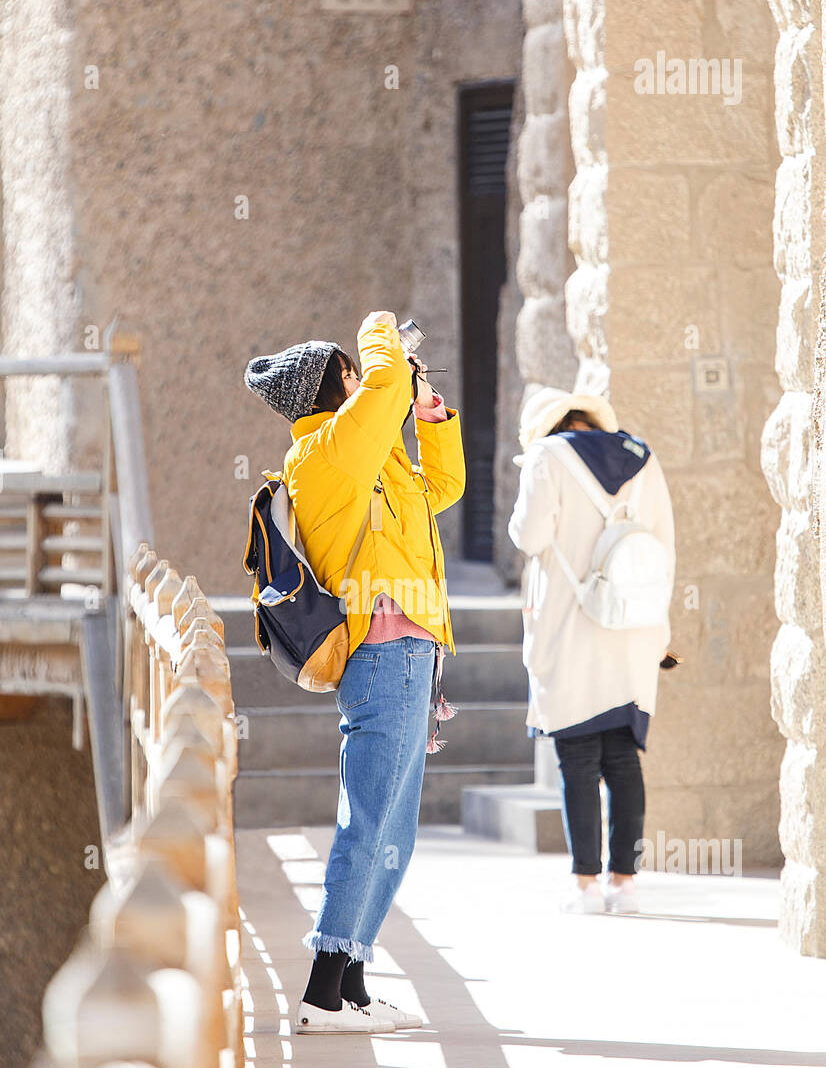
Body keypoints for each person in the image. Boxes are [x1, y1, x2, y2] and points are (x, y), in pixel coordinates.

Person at [244, 311, 466, 1030]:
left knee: (391, 830)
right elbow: (381, 388)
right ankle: (320, 991)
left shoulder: (367, 461)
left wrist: (429, 416)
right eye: (356, 371)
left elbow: (445, 491)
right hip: (385, 651)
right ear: (338, 385)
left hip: (411, 652)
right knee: (368, 821)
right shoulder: (327, 452)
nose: (372, 377)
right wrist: (381, 330)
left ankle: (353, 989)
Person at [507, 386, 675, 914]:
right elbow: (665, 547)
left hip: (568, 623)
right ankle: (625, 884)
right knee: (624, 760)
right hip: (632, 623)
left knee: (577, 758)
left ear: (546, 428)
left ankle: (585, 886)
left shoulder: (544, 457)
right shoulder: (641, 457)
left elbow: (528, 536)